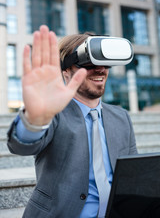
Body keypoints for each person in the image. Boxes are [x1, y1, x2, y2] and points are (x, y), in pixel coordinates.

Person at [7, 25, 137, 218]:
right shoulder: (54, 114)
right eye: (89, 64)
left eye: (104, 63)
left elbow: (133, 175)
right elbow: (22, 146)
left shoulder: (121, 117)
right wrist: (35, 119)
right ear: (66, 71)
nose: (100, 69)